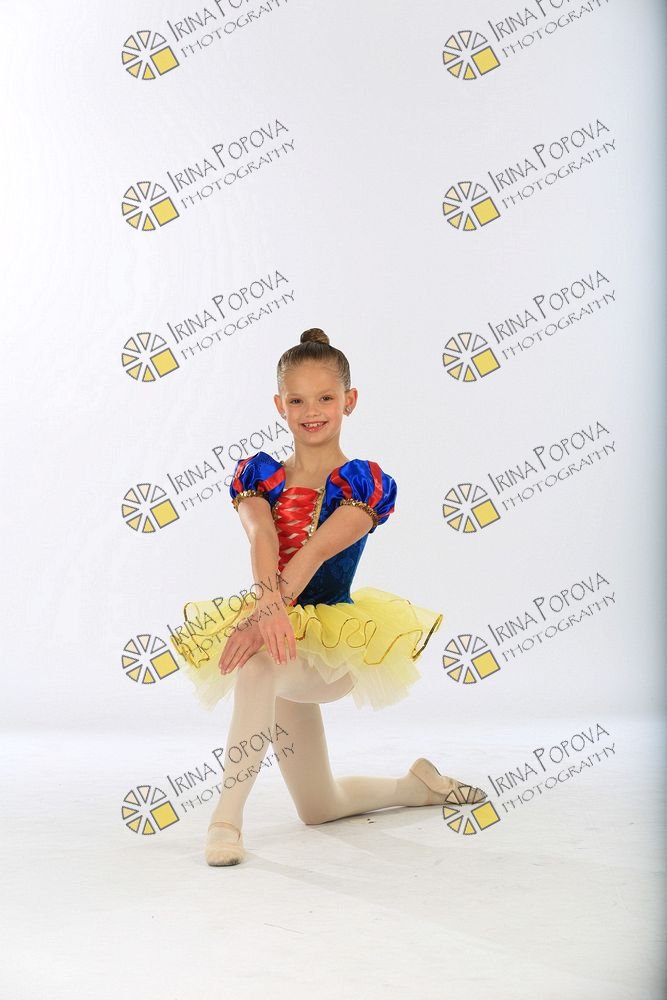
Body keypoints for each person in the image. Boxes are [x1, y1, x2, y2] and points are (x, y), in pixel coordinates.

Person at [170, 328, 487, 866]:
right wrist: (267, 610)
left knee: (256, 664)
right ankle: (417, 786)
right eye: (296, 400)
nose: (311, 411)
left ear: (349, 400)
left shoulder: (361, 483)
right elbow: (262, 536)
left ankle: (225, 821)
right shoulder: (259, 477)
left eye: (325, 398)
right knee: (319, 807)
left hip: (335, 645)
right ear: (280, 406)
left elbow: (316, 552)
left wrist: (268, 613)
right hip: (279, 629)